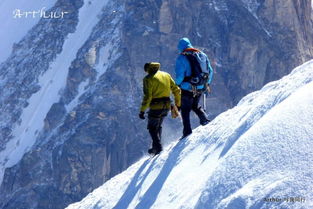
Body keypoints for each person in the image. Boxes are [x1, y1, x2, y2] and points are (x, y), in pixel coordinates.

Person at [175, 38, 214, 139]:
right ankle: (204, 119)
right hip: (200, 87)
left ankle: (187, 131)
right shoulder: (202, 55)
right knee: (195, 105)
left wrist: (176, 85)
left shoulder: (181, 58)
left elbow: (180, 76)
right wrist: (206, 84)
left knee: (185, 109)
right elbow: (210, 71)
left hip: (187, 88)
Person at [139, 62, 181, 155]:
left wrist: (142, 110)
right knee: (158, 125)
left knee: (152, 127)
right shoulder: (166, 75)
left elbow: (148, 96)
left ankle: (158, 147)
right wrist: (178, 104)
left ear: (148, 69)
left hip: (156, 106)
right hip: (167, 106)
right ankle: (155, 147)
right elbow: (176, 90)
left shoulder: (148, 79)